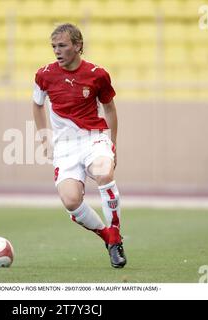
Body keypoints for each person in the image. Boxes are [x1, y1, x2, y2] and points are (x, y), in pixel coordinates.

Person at [32, 23, 127, 268]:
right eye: (54, 46)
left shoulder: (97, 74)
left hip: (94, 137)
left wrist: (112, 144)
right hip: (64, 146)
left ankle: (116, 236)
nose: (57, 51)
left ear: (78, 46)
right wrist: (44, 136)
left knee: (104, 172)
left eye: (62, 45)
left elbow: (110, 109)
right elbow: (37, 104)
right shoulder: (44, 74)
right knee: (71, 201)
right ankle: (107, 236)